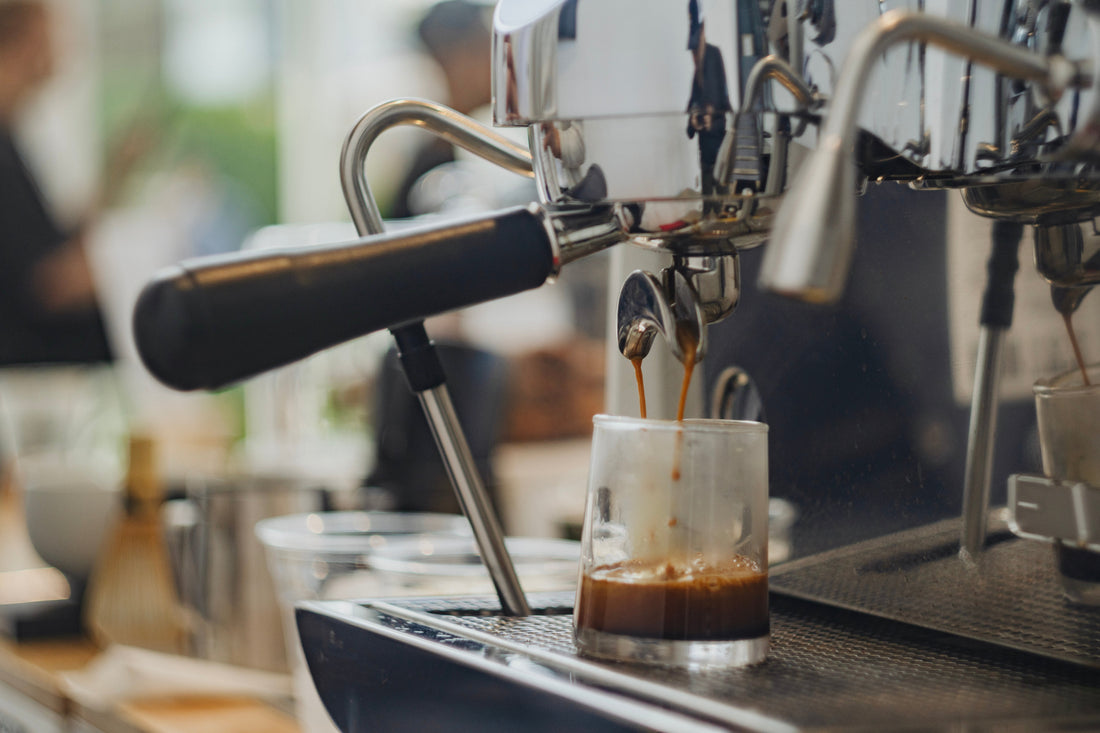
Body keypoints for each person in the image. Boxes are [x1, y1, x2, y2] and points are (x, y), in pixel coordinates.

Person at [0, 1, 111, 365]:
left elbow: (49, 245)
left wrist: (115, 177)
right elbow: (46, 284)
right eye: (53, 31)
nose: (65, 46)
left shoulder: (14, 137)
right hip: (30, 369)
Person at [389, 0, 493, 219]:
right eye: (486, 46)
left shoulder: (453, 146)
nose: (497, 62)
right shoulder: (433, 168)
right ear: (454, 58)